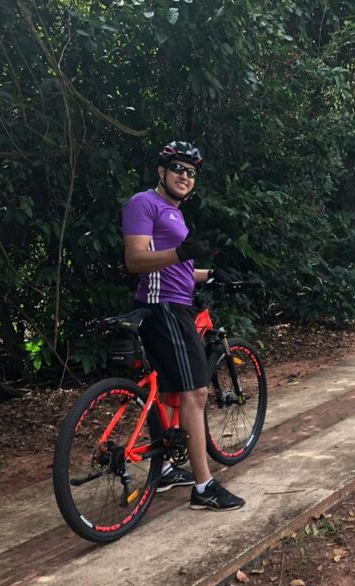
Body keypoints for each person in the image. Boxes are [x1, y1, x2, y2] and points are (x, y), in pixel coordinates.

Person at [121, 140, 245, 510]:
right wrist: (181, 253)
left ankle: (170, 468)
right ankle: (204, 486)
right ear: (162, 171)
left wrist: (213, 275)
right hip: (164, 310)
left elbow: (179, 269)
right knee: (196, 394)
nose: (185, 177)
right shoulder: (144, 203)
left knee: (175, 392)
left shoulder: (174, 212)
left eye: (191, 173)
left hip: (178, 305)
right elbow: (135, 260)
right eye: (178, 168)